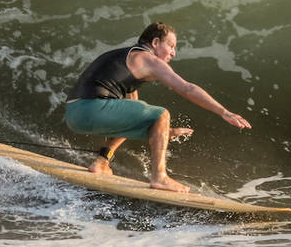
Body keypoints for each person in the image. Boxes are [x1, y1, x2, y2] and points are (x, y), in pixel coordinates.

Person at [64, 22, 251, 193]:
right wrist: (223, 112)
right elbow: (187, 88)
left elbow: (134, 111)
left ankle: (101, 162)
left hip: (75, 113)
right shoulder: (148, 60)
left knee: (142, 112)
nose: (173, 53)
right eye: (170, 46)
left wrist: (161, 131)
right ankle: (160, 177)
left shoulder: (127, 57)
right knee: (162, 114)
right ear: (155, 42)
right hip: (90, 109)